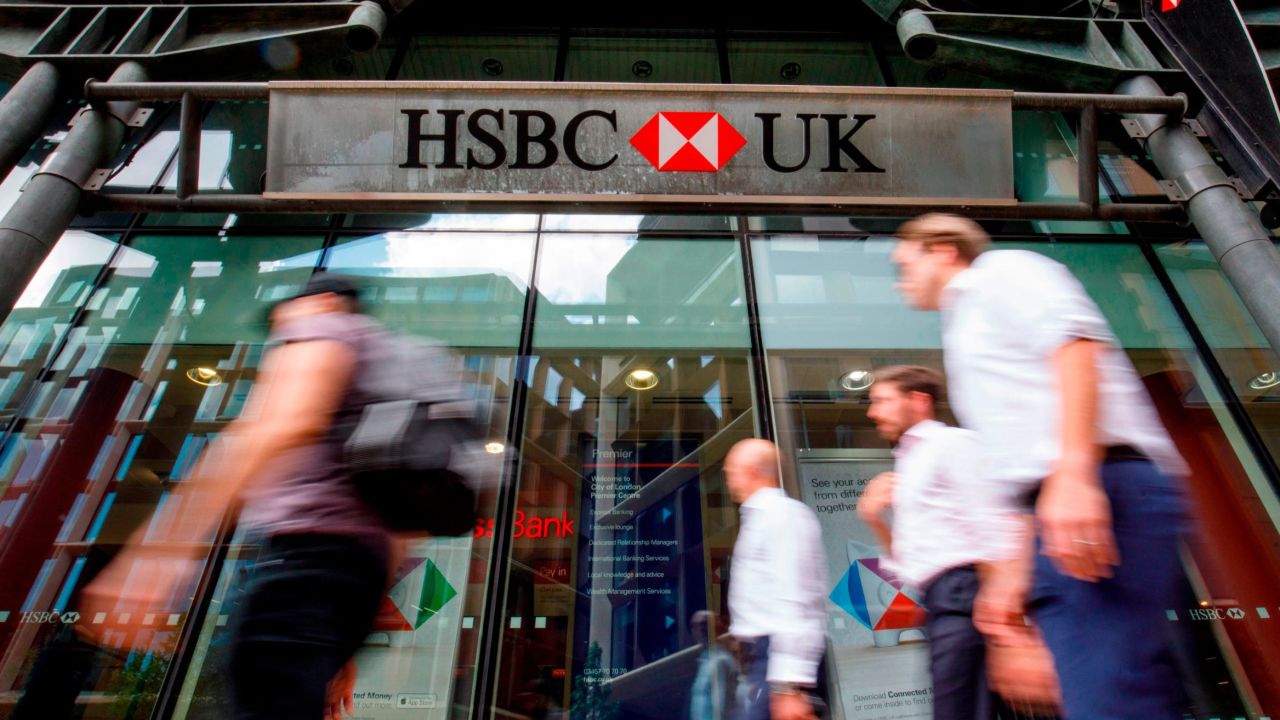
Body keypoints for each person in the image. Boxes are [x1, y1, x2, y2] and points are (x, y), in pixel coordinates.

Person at [890, 213, 1189, 719]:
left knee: (1110, 695)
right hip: (1055, 506)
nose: (902, 281)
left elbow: (1074, 347)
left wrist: (1074, 473)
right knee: (1097, 689)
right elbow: (1016, 459)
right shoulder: (961, 327)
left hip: (1100, 483)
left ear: (942, 249)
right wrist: (1012, 575)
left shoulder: (1003, 273)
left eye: (905, 264)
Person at [81, 273, 397, 720]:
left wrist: (156, 555)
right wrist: (345, 640)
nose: (280, 329)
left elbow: (273, 429)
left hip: (300, 564)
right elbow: (402, 524)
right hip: (357, 574)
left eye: (284, 315)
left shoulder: (323, 332)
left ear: (325, 301)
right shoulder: (387, 365)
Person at [859, 364, 1046, 719]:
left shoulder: (951, 444)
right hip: (943, 601)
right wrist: (873, 517)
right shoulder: (910, 461)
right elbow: (910, 562)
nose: (872, 412)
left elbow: (998, 526)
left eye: (882, 400)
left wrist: (1009, 621)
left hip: (969, 595)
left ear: (919, 400)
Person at [724, 438, 827, 720]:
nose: (728, 478)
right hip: (760, 663)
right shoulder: (759, 518)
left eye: (732, 470)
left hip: (775, 660)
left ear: (752, 471)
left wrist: (787, 685)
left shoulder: (783, 516)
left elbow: (795, 598)